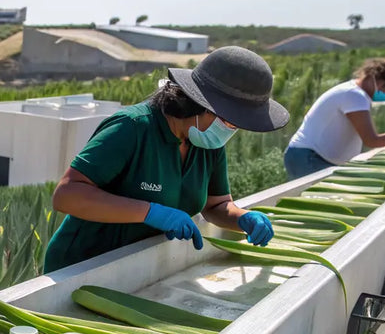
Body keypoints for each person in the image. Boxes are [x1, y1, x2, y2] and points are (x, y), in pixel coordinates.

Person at [43, 46, 289, 274]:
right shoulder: (132, 128)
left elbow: (216, 205)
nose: (231, 130)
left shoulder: (208, 142)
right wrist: (150, 212)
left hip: (140, 268)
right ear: (200, 104)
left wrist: (243, 218)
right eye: (229, 121)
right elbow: (67, 195)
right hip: (83, 267)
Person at [283, 58, 385, 179]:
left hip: (311, 157)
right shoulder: (355, 96)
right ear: (379, 79)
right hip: (309, 158)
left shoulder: (355, 93)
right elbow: (372, 141)